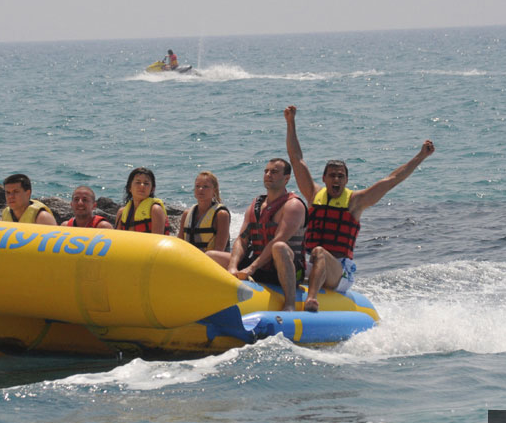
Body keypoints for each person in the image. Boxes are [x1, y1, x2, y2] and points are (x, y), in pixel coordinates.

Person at [284, 105, 435, 311]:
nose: (336, 179)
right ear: (324, 178)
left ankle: (311, 300)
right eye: (332, 175)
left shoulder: (355, 202)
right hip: (311, 264)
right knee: (284, 251)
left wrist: (421, 156)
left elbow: (392, 179)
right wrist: (290, 122)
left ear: (346, 180)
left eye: (341, 176)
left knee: (319, 252)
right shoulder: (313, 194)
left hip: (340, 272)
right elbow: (296, 159)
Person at [207, 159, 306, 311]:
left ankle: (290, 304)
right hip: (260, 267)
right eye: (266, 171)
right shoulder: (256, 205)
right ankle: (210, 302)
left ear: (286, 178)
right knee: (211, 256)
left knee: (279, 247)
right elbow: (242, 239)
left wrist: (251, 268)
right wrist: (232, 267)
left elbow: (278, 240)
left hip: (283, 269)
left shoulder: (294, 206)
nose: (268, 175)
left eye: (274, 172)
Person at [177, 172, 230, 253]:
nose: (200, 189)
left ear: (214, 190)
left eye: (205, 186)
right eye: (197, 186)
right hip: (189, 260)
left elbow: (219, 250)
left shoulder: (221, 215)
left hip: (214, 261)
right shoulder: (186, 214)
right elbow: (179, 243)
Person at [115, 167, 170, 234]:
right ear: (129, 187)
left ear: (152, 189)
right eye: (138, 182)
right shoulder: (121, 213)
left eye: (146, 183)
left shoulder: (155, 210)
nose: (142, 186)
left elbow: (157, 240)